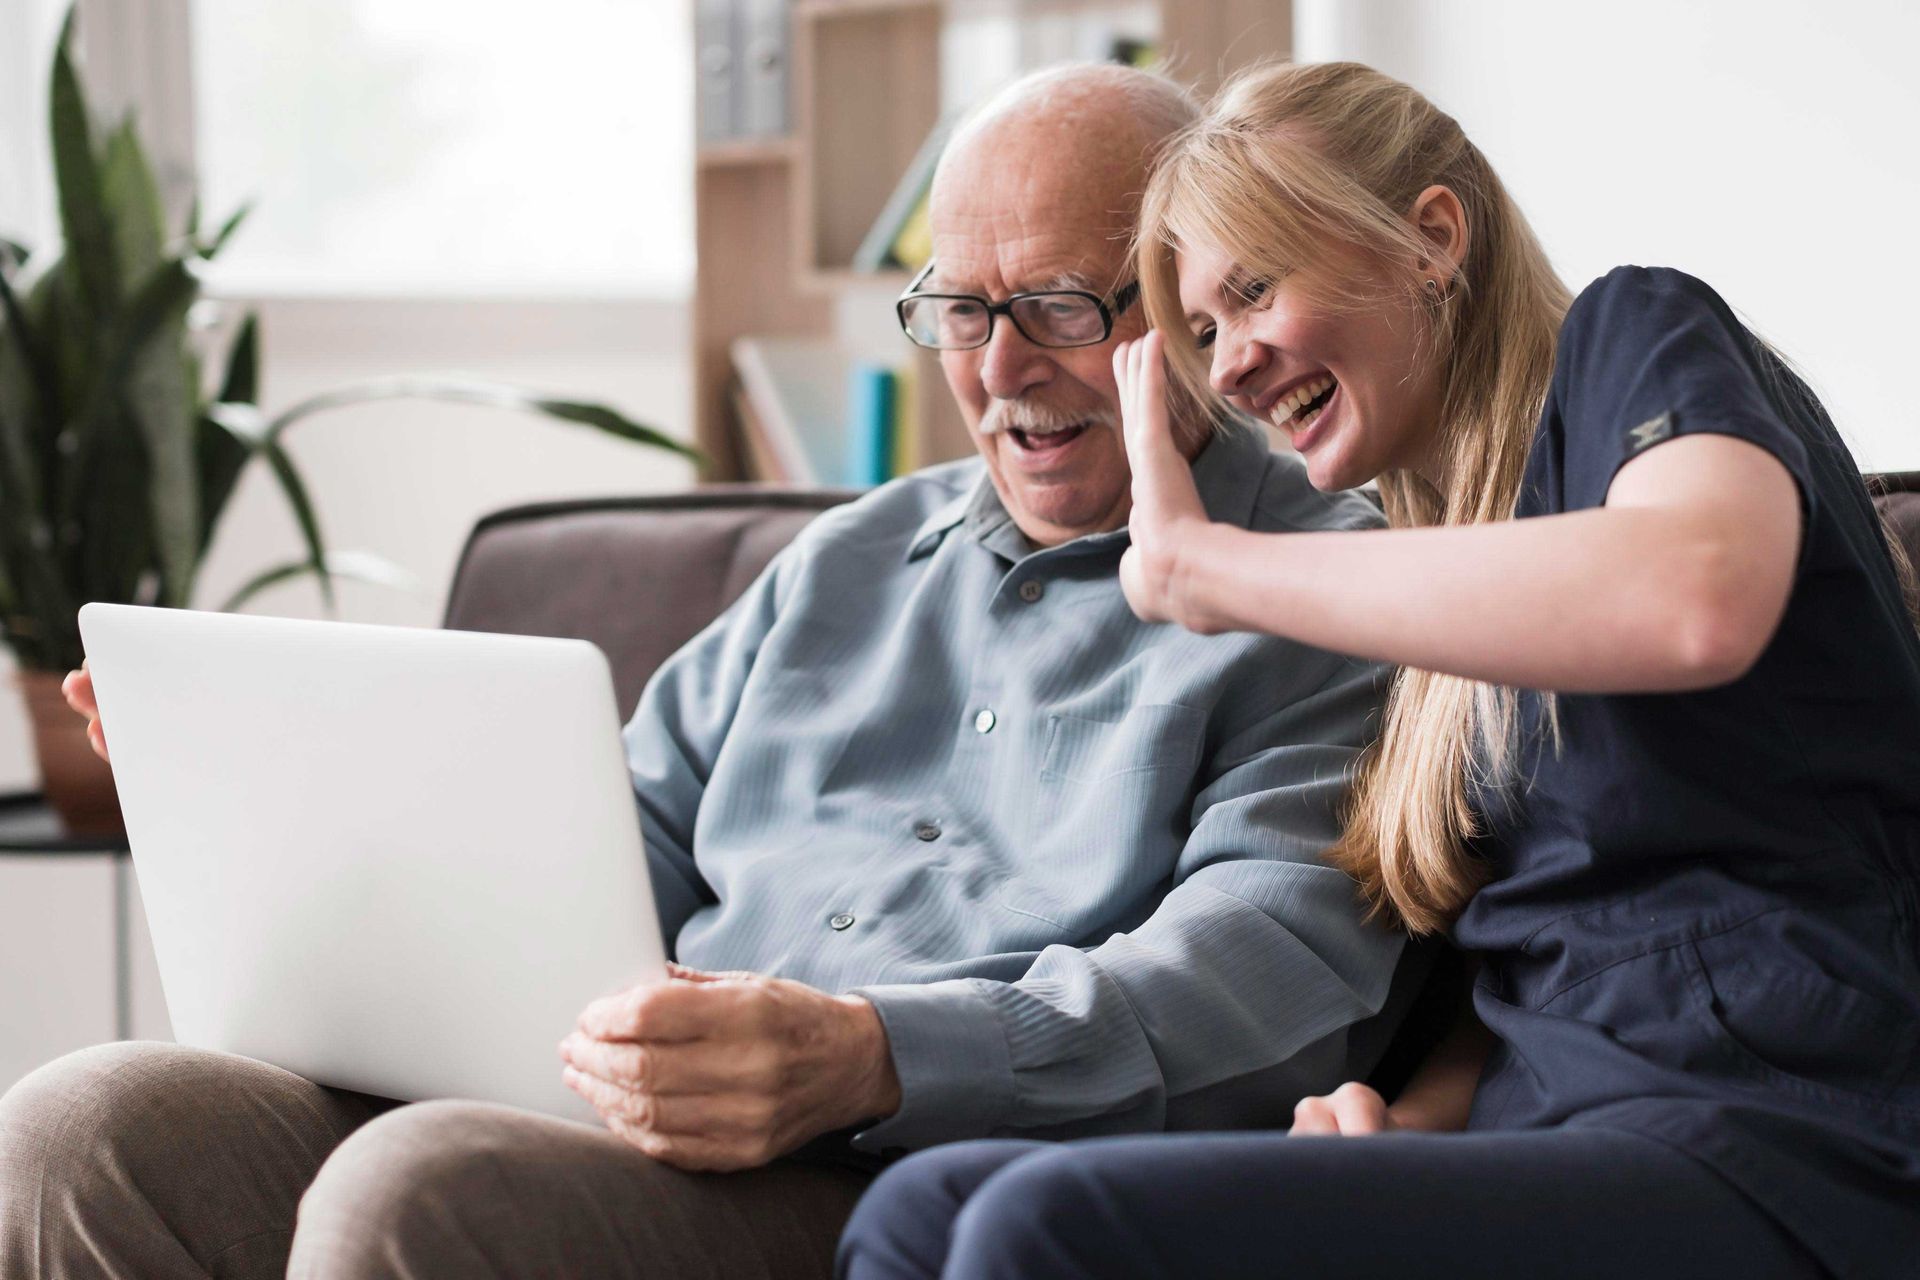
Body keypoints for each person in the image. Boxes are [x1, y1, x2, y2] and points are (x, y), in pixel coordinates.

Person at [0, 65, 1422, 1280]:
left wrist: (879, 1053)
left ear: (1189, 293)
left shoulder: (1323, 586)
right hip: (628, 1109)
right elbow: (605, 840)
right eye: (959, 312)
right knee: (83, 1125)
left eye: (1057, 306)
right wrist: (247, 803)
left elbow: (1268, 965)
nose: (998, 371)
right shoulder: (851, 560)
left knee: (417, 1194)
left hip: (909, 1173)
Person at [836, 59, 1920, 1280]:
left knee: (1041, 1230)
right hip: (1549, 1131)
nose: (1229, 364)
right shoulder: (1441, 572)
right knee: (921, 1210)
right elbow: (1518, 968)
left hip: (1784, 1136)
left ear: (1432, 239)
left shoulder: (1641, 335)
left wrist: (1204, 567)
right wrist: (1401, 1126)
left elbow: (1695, 593)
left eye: (1254, 292)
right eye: (1199, 331)